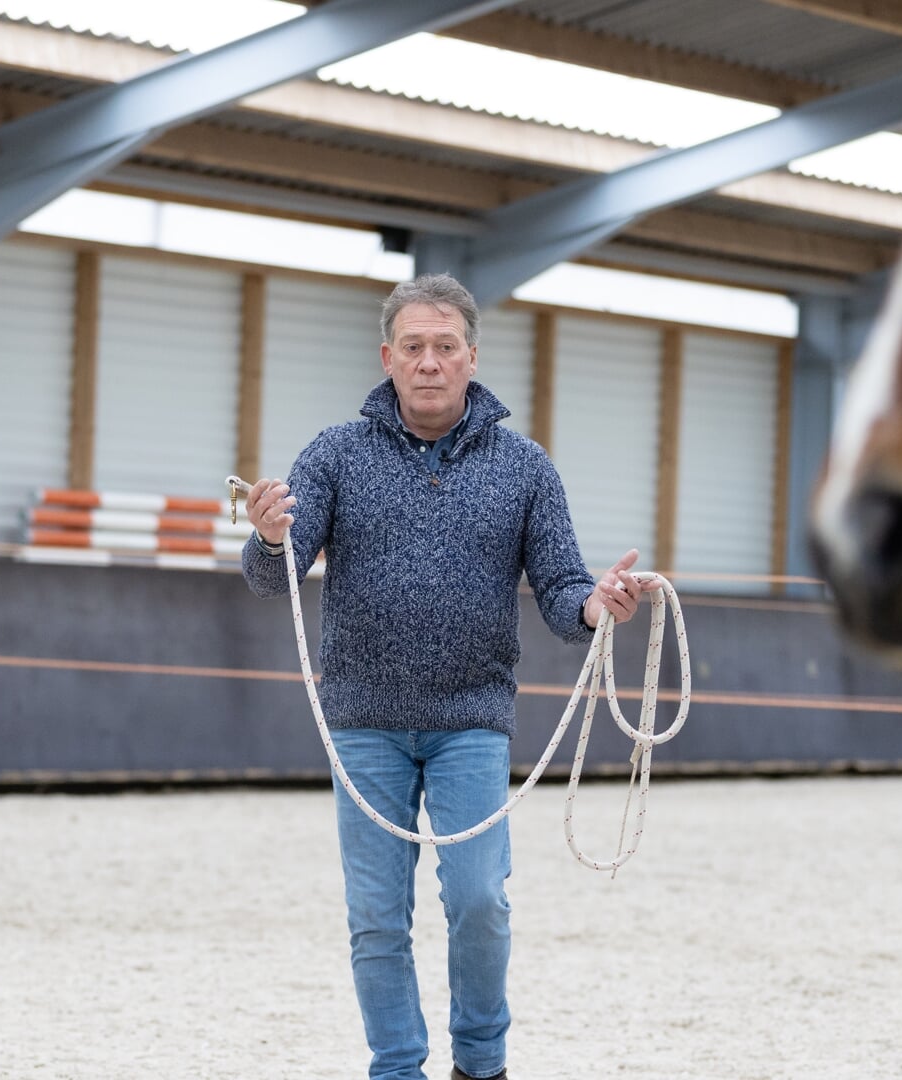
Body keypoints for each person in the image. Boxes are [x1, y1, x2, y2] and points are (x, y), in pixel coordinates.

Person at [237, 273, 659, 1080]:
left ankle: (480, 1063)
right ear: (387, 357)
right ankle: (396, 1069)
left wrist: (600, 607)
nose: (428, 363)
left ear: (472, 356)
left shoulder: (526, 468)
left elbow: (563, 589)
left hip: (472, 718)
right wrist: (263, 538)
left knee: (478, 901)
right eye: (413, 348)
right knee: (374, 918)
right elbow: (274, 578)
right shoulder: (332, 454)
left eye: (445, 347)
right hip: (361, 718)